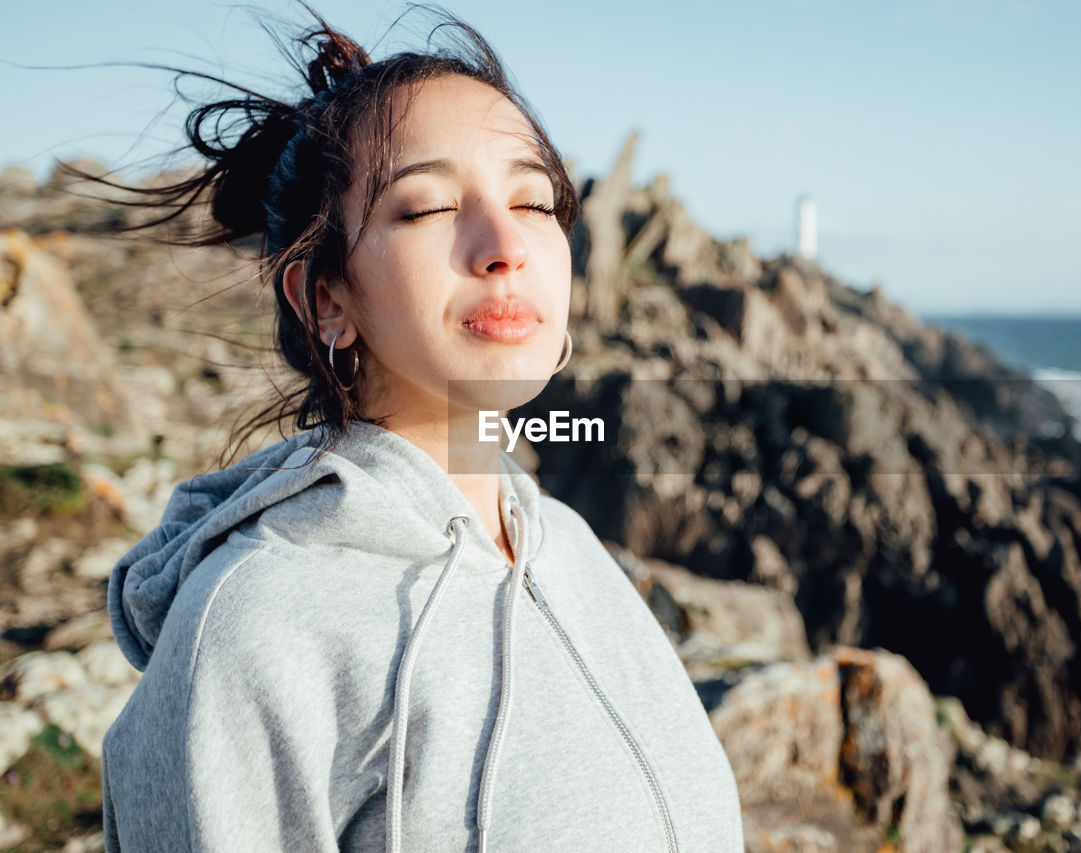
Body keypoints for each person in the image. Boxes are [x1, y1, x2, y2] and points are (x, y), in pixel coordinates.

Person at [95, 5, 744, 851]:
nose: (505, 243)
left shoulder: (571, 549)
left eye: (534, 200)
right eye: (430, 207)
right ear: (327, 299)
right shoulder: (253, 630)